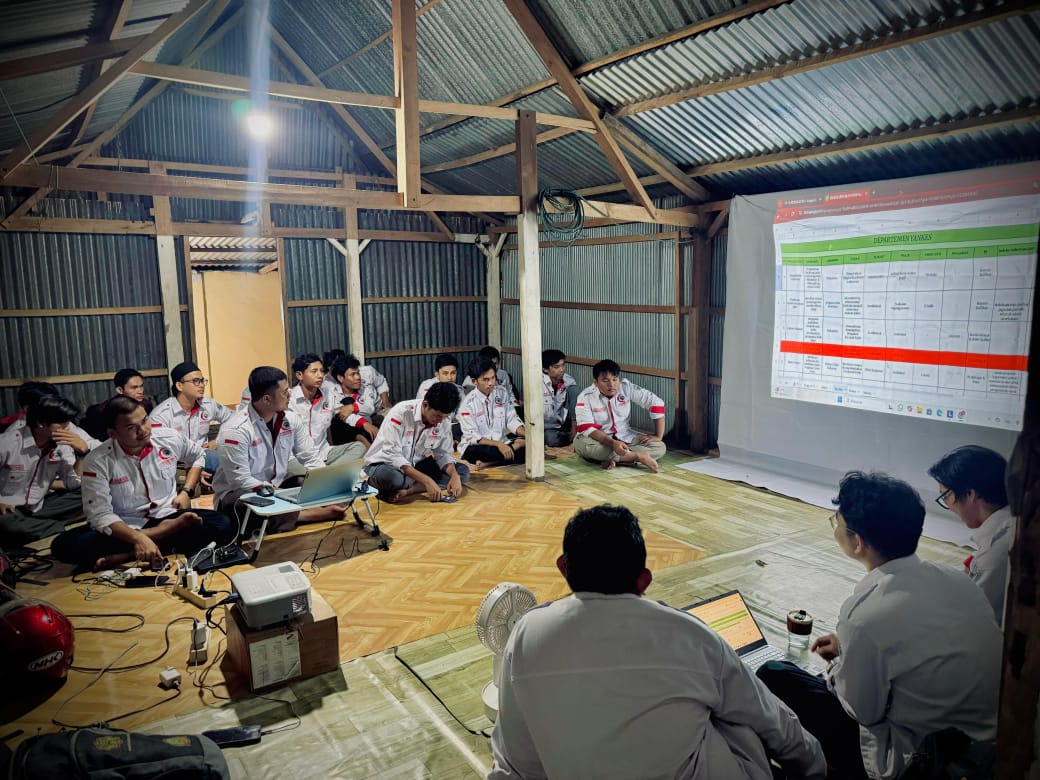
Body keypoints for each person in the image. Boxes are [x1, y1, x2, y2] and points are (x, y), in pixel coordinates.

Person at [489, 504, 826, 780]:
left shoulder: (526, 634)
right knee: (735, 710)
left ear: (563, 568)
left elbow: (513, 759)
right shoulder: (689, 634)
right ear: (644, 580)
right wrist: (815, 769)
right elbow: (770, 717)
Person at [756, 471, 1001, 780]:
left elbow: (862, 712)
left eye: (837, 522)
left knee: (774, 675)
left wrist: (838, 666)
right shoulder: (957, 580)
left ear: (857, 542)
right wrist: (851, 650)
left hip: (920, 759)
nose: (835, 528)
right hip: (983, 740)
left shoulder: (865, 616)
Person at [50, 396, 234, 571]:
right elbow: (100, 514)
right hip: (126, 526)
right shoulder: (98, 460)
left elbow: (197, 455)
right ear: (113, 433)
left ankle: (128, 555)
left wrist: (186, 491)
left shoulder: (167, 438)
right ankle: (159, 539)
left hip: (169, 514)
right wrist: (139, 537)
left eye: (145, 420)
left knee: (224, 524)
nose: (144, 430)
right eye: (132, 427)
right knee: (64, 546)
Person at [213, 366, 345, 531]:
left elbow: (310, 457)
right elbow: (240, 480)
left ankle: (295, 509)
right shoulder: (236, 430)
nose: (289, 395)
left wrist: (327, 485)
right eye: (284, 392)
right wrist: (277, 493)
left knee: (309, 484)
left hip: (277, 484)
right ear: (267, 399)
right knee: (250, 505)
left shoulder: (290, 419)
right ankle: (308, 514)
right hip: (240, 493)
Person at [928, 445, 1013, 622]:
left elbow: (969, 619)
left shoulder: (994, 555)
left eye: (945, 497)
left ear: (969, 494)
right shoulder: (1012, 523)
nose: (948, 506)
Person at [0, 396, 90, 547]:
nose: (68, 429)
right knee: (6, 522)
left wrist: (82, 454)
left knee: (92, 490)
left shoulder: (61, 445)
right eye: (62, 424)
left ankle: (38, 526)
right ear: (41, 423)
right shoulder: (7, 444)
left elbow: (72, 483)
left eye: (68, 423)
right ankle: (55, 527)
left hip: (39, 506)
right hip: (9, 509)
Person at [363, 382, 470, 503]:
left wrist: (454, 476)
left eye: (445, 417)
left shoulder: (443, 419)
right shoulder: (400, 412)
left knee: (462, 472)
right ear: (425, 405)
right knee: (393, 478)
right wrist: (427, 480)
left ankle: (409, 490)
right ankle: (374, 483)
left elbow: (443, 454)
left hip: (415, 466)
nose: (440, 421)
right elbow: (393, 456)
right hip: (385, 465)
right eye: (438, 416)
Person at [573, 359, 666, 472]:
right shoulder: (585, 396)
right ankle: (636, 457)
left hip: (625, 436)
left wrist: (658, 436)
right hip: (597, 439)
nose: (611, 384)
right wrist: (613, 443)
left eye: (615, 379)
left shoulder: (626, 387)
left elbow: (656, 403)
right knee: (581, 445)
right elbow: (587, 428)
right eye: (605, 380)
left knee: (659, 446)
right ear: (595, 382)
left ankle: (612, 459)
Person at [150, 361, 233, 483]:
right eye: (195, 381)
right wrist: (194, 470)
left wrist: (218, 440)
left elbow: (234, 419)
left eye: (202, 381)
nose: (201, 385)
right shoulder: (161, 415)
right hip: (175, 464)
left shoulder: (207, 404)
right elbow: (158, 453)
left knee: (234, 455)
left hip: (203, 456)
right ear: (179, 386)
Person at [285, 353, 364, 473]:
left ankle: (324, 474)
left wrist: (365, 424)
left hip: (323, 453)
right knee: (293, 469)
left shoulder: (327, 395)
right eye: (314, 371)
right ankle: (327, 474)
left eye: (322, 371)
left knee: (359, 447)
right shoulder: (289, 399)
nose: (320, 375)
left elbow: (342, 412)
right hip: (297, 457)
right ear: (300, 375)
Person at [458, 356, 526, 470]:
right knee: (488, 451)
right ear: (474, 381)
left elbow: (511, 418)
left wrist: (527, 435)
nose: (491, 383)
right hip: (477, 446)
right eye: (486, 380)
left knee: (531, 449)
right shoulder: (467, 404)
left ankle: (489, 464)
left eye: (493, 378)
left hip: (502, 443)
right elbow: (474, 437)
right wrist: (500, 445)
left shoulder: (502, 393)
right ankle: (515, 446)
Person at [326, 354, 392, 449]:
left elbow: (369, 408)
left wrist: (353, 407)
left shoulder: (365, 386)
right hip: (353, 426)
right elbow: (340, 414)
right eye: (353, 375)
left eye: (358, 373)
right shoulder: (332, 392)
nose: (358, 377)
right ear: (341, 378)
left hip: (372, 416)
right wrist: (364, 423)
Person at [82, 368, 154, 441]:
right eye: (134, 388)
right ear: (120, 390)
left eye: (141, 386)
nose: (140, 391)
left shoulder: (146, 405)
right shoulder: (105, 410)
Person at [416, 353, 465, 443]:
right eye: (445, 373)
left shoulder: (459, 390)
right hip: (428, 426)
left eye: (453, 373)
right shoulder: (428, 386)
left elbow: (462, 416)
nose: (450, 377)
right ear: (437, 374)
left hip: (449, 427)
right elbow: (427, 413)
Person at [540, 349, 577, 447]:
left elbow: (575, 404)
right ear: (545, 369)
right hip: (546, 427)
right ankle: (568, 437)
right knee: (552, 439)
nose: (562, 370)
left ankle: (574, 434)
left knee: (574, 390)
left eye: (563, 365)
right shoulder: (538, 383)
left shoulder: (568, 380)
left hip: (563, 422)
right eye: (556, 367)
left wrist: (574, 429)